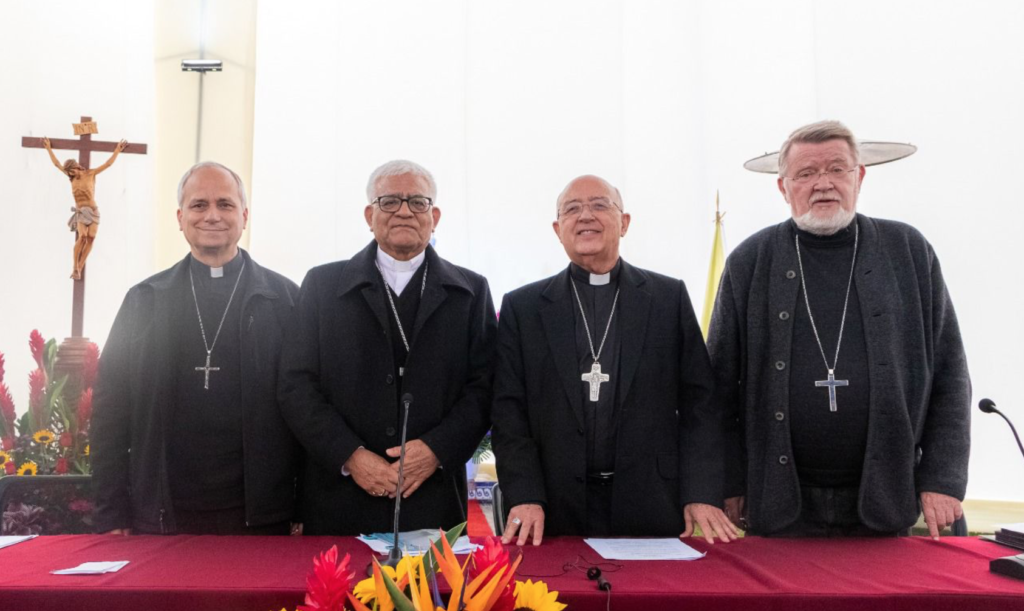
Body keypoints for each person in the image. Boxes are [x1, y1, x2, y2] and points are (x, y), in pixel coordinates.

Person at [708, 120, 971, 539]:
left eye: (836, 169)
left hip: (885, 499)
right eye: (807, 173)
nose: (823, 183)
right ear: (783, 187)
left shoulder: (908, 251)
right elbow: (717, 389)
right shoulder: (750, 262)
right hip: (778, 503)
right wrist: (727, 482)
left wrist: (942, 479)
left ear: (859, 177)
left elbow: (950, 375)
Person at [492, 175, 739, 545]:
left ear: (624, 222)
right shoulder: (523, 308)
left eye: (599, 205)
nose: (585, 216)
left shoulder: (667, 299)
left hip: (650, 501)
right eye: (572, 209)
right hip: (551, 506)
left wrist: (701, 491)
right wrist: (525, 493)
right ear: (558, 229)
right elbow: (508, 411)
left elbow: (700, 405)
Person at [278, 160, 496, 535]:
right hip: (339, 495)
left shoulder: (470, 292)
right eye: (390, 201)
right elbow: (296, 385)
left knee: (431, 595)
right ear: (369, 214)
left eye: (418, 202)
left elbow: (486, 386)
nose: (404, 211)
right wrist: (351, 457)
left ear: (435, 215)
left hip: (431, 494)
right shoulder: (322, 286)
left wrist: (436, 450)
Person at [91, 162, 302, 535]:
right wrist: (111, 513)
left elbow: (306, 407)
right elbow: (111, 411)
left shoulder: (284, 300)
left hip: (262, 516)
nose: (212, 216)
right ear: (180, 216)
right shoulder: (144, 301)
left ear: (245, 215)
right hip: (162, 512)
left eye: (225, 204)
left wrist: (304, 508)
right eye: (199, 205)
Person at [43, 137, 128, 279]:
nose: (70, 175)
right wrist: (48, 149)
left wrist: (117, 150)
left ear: (76, 167)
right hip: (81, 211)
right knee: (82, 236)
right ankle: (74, 266)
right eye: (69, 173)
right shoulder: (72, 178)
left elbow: (107, 164)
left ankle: (79, 267)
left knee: (91, 238)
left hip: (93, 210)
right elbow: (57, 164)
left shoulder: (91, 174)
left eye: (71, 172)